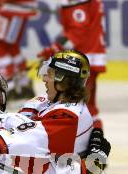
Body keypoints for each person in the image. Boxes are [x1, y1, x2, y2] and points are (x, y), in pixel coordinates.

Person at [37, 0, 106, 129]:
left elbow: (77, 33)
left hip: (83, 60)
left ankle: (94, 141)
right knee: (87, 106)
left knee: (82, 106)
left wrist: (54, 49)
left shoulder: (77, 3)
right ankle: (94, 141)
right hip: (90, 56)